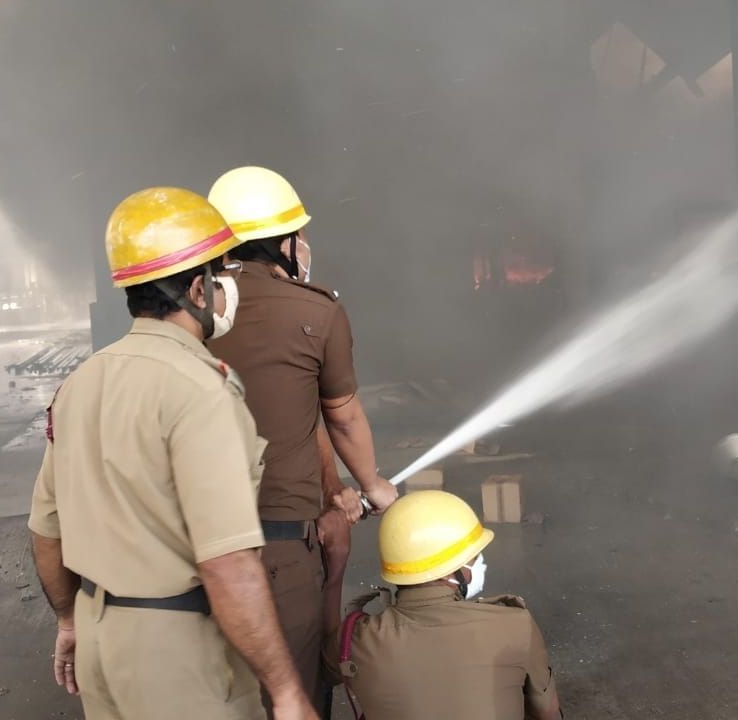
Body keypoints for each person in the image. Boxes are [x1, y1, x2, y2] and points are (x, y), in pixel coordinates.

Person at [28, 187, 317, 720]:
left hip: (100, 647)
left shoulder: (80, 382)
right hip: (180, 659)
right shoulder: (201, 390)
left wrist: (70, 622)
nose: (230, 285)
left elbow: (47, 530)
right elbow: (228, 563)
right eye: (221, 273)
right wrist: (287, 690)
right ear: (198, 290)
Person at [205, 166, 399, 717]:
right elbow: (340, 416)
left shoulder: (193, 312)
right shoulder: (316, 310)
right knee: (294, 691)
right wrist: (371, 484)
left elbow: (301, 416)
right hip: (278, 548)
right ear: (285, 243)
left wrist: (333, 487)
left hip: (187, 547)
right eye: (300, 234)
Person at [333, 490, 564, 720]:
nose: (480, 562)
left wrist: (334, 567)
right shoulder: (514, 624)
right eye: (473, 557)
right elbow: (547, 712)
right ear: (452, 570)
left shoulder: (355, 637)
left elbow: (313, 670)